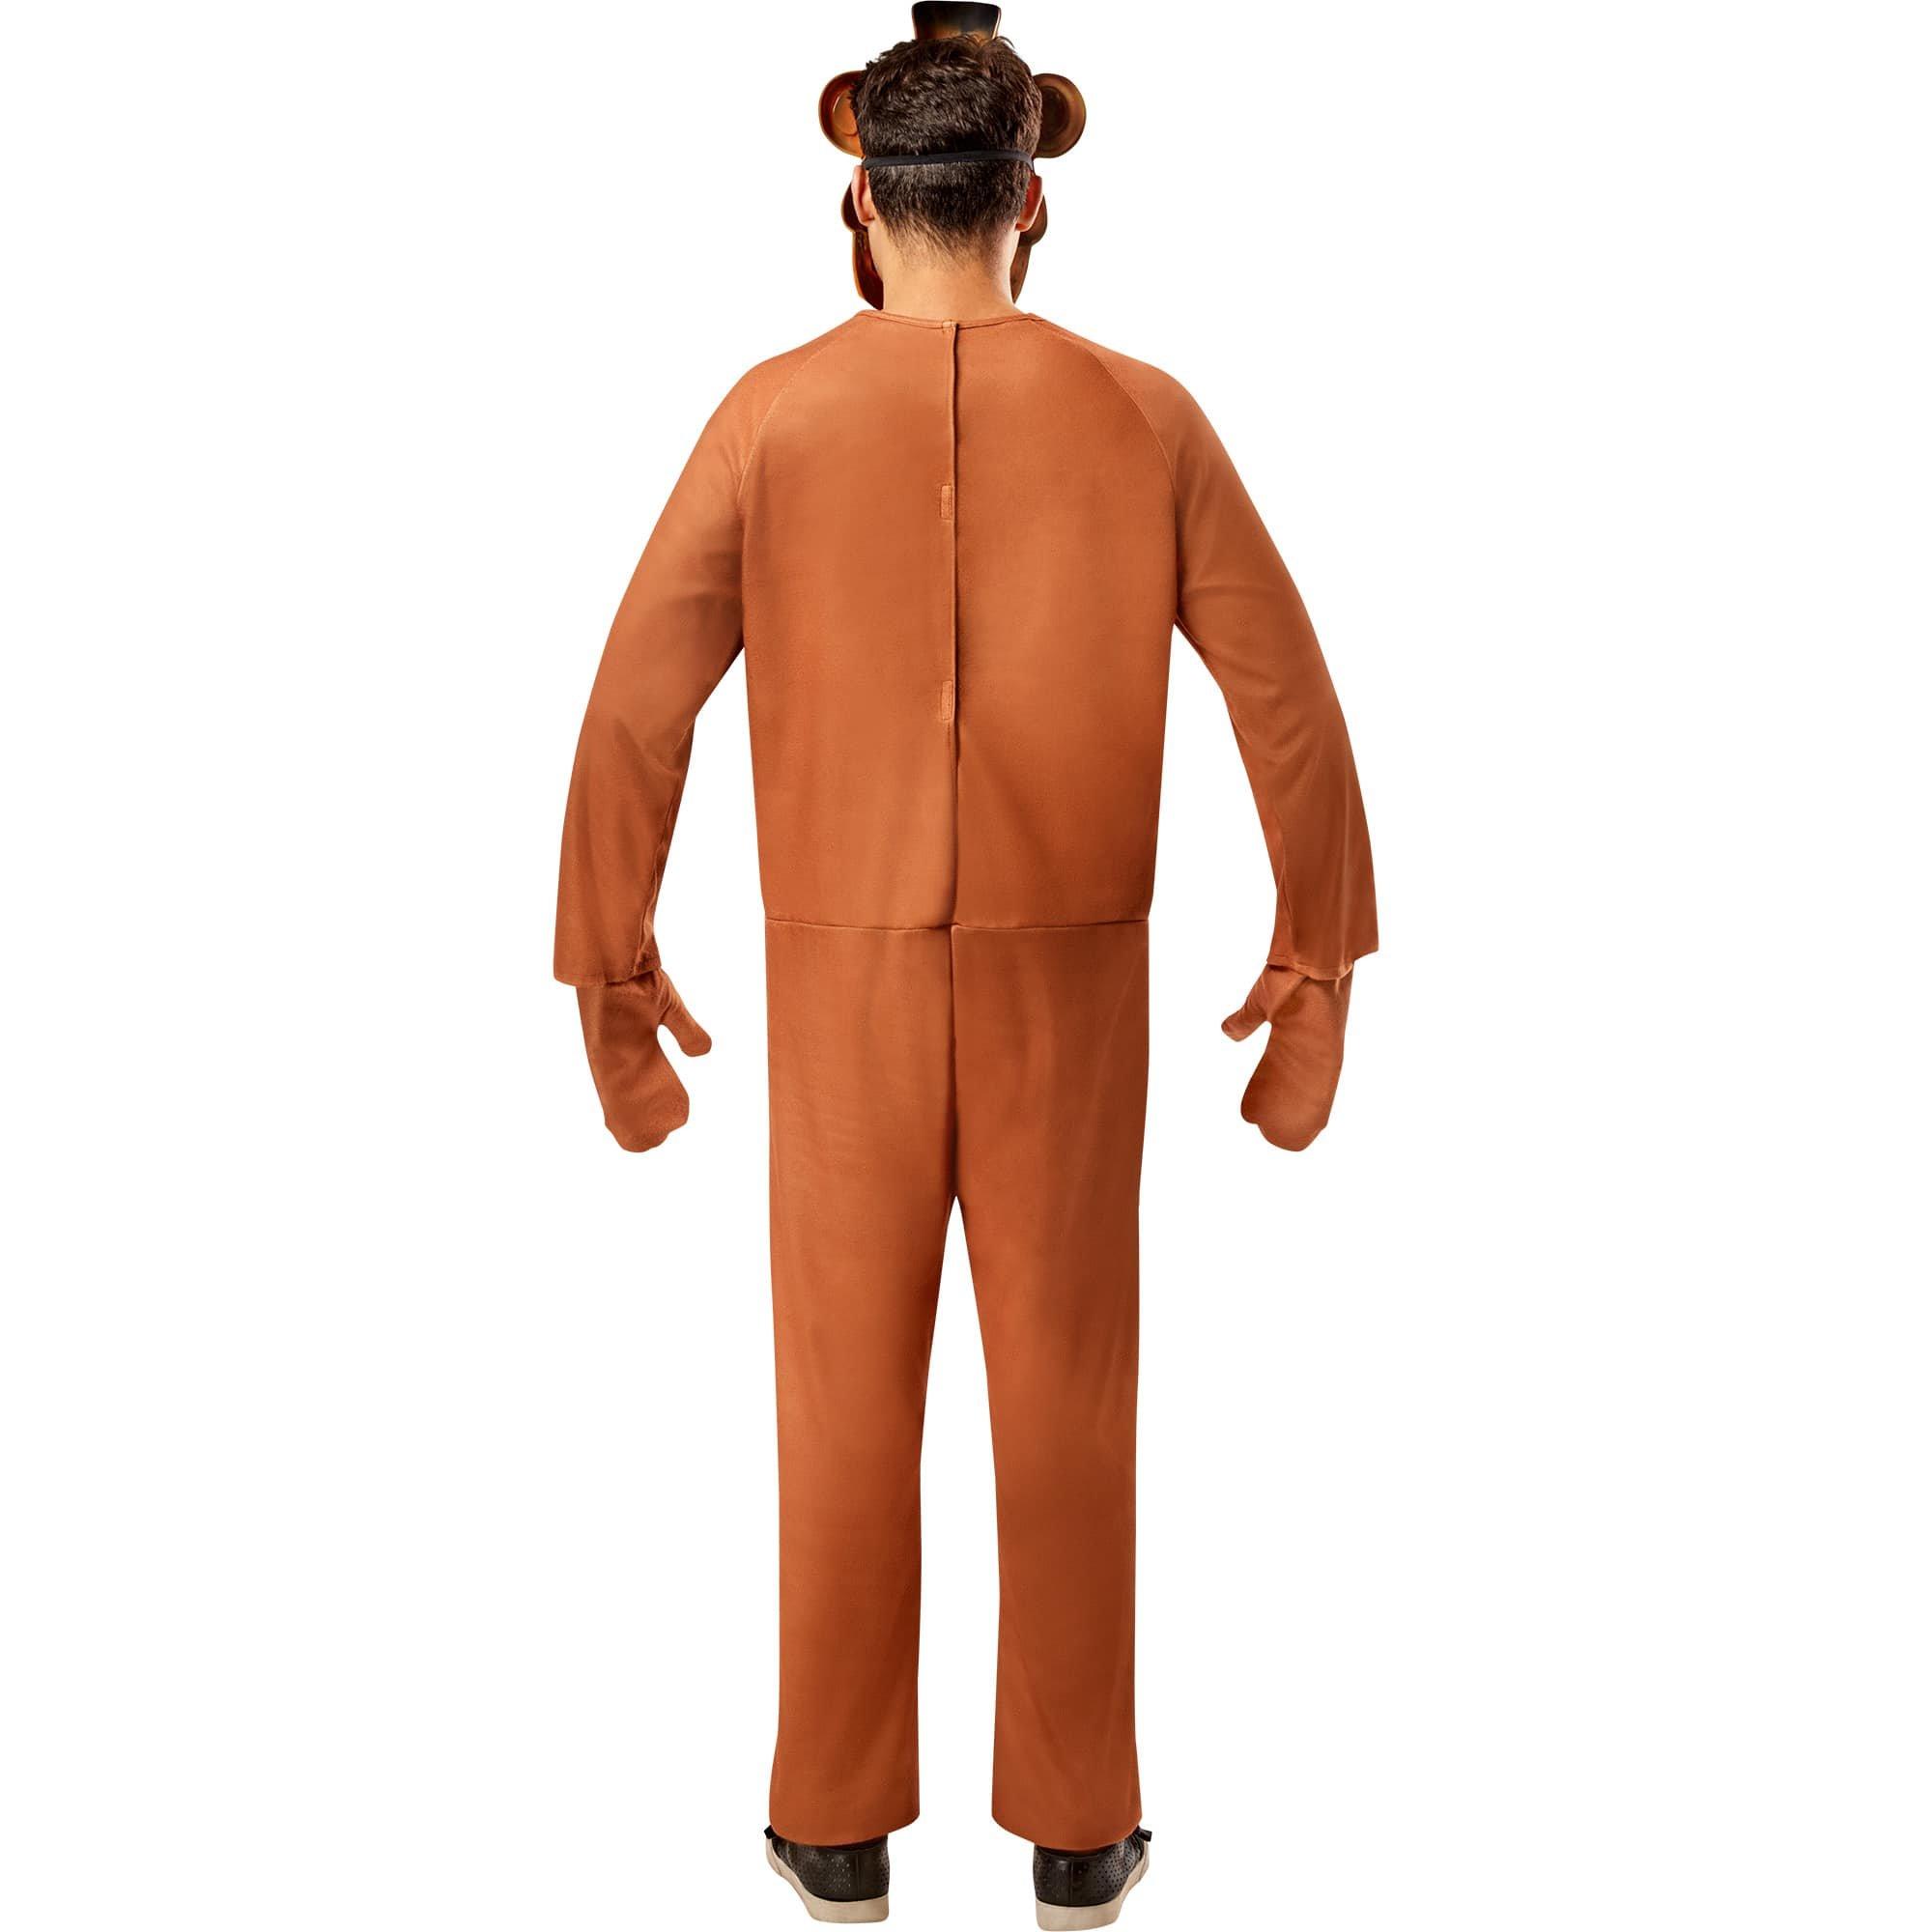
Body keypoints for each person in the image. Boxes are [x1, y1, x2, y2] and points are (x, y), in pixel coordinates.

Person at [554, 24, 1377, 1930]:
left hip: (839, 983)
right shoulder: (1145, 417)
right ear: (1035, 205)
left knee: (842, 1395)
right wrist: (1313, 952)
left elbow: (630, 714)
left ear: (860, 196)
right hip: (1066, 993)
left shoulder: (768, 416)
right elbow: (1292, 705)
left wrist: (613, 960)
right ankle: (1080, 1832)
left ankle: (835, 1824)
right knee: (1069, 1397)